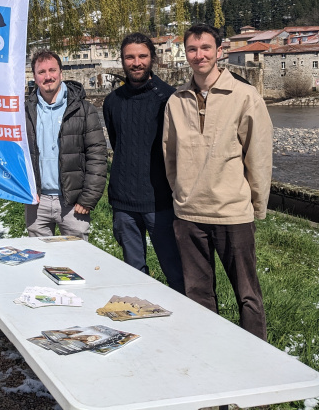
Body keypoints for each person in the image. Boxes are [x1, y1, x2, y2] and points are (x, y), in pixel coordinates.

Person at [162, 23, 273, 340]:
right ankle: (210, 353)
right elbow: (170, 156)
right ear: (186, 54)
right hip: (189, 215)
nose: (199, 55)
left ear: (219, 52)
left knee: (247, 294)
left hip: (232, 213)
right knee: (198, 294)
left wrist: (256, 207)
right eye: (193, 49)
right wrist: (181, 193)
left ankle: (255, 356)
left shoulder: (244, 96)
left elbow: (259, 156)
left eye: (206, 48)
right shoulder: (176, 101)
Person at [102, 33, 184, 293]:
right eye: (130, 57)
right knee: (134, 277)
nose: (136, 62)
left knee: (177, 273)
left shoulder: (170, 99)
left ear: (153, 59)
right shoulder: (112, 102)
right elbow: (120, 145)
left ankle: (186, 326)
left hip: (161, 203)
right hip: (124, 203)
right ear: (122, 61)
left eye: (142, 56)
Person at [24, 51, 107, 240]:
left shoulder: (84, 109)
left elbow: (97, 156)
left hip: (73, 202)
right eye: (41, 72)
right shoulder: (24, 111)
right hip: (37, 201)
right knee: (40, 262)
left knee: (77, 262)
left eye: (52, 70)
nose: (48, 77)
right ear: (34, 76)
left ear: (61, 72)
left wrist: (88, 198)